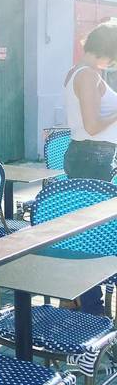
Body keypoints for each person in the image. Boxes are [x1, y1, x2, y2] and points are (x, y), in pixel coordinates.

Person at [63, 20, 117, 314]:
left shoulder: (80, 72)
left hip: (88, 156)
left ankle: (76, 299)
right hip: (91, 158)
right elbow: (93, 126)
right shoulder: (87, 75)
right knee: (91, 232)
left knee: (85, 230)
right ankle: (89, 306)